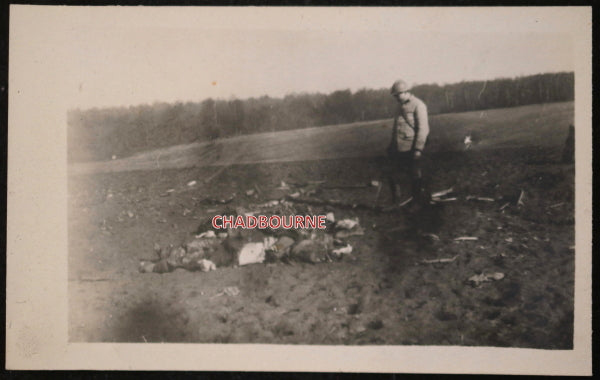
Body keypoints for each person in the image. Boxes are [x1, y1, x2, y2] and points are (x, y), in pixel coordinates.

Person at [386, 79, 430, 208]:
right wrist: (391, 145)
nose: (396, 98)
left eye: (397, 95)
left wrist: (418, 149)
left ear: (405, 92)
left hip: (412, 147)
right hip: (398, 148)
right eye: (394, 96)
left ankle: (418, 203)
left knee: (415, 176)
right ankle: (396, 202)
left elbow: (423, 128)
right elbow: (396, 128)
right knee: (392, 174)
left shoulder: (418, 105)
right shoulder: (399, 106)